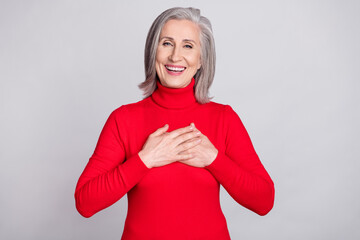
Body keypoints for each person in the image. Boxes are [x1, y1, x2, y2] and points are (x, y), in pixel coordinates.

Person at [74, 7, 274, 240]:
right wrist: (145, 160)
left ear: (201, 60)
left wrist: (215, 160)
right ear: (153, 52)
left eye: (188, 46)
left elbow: (264, 201)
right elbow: (85, 203)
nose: (175, 56)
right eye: (167, 43)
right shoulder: (124, 119)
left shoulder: (224, 119)